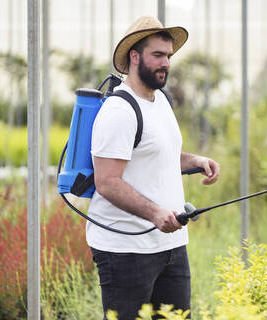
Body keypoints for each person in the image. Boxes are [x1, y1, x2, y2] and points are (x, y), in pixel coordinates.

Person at [87, 16, 220, 320]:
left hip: (171, 247)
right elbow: (107, 181)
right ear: (134, 57)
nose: (166, 63)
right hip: (126, 250)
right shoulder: (119, 110)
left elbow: (158, 153)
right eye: (157, 55)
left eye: (169, 56)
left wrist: (195, 161)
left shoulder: (160, 100)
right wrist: (156, 213)